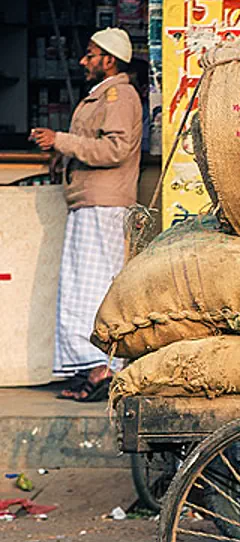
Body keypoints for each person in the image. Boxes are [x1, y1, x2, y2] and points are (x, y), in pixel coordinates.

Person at [30, 28, 143, 402]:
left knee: (93, 289)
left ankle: (103, 367)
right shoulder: (101, 97)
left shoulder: (120, 95)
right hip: (89, 202)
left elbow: (116, 150)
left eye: (91, 54)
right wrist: (61, 155)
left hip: (104, 205)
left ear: (109, 59)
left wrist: (61, 140)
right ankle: (93, 367)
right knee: (79, 289)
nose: (84, 61)